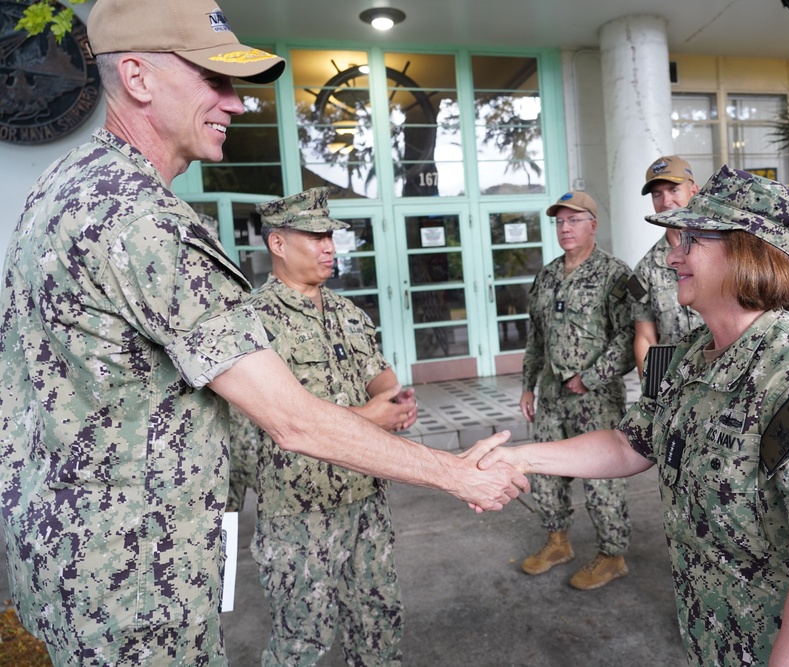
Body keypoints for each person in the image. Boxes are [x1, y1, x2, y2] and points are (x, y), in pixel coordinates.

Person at [0, 1, 527, 664]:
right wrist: (458, 473)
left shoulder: (66, 187)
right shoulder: (141, 220)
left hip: (82, 569)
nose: (237, 104)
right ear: (137, 78)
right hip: (136, 593)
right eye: (213, 81)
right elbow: (290, 422)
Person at [487, 166, 789, 665]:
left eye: (691, 240)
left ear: (745, 251)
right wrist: (518, 459)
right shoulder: (688, 354)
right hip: (714, 633)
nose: (673, 255)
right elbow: (630, 443)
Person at [228, 189, 416, 666]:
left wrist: (392, 396)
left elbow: (379, 372)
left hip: (365, 500)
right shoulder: (250, 323)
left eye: (330, 235)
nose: (329, 246)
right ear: (278, 244)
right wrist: (371, 416)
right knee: (300, 643)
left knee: (378, 625)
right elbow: (276, 421)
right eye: (315, 236)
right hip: (298, 513)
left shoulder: (348, 313)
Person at [518, 190, 635, 590]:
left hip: (596, 398)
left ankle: (612, 554)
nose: (565, 229)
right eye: (559, 222)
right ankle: (557, 542)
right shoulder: (547, 275)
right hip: (551, 394)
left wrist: (592, 377)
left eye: (574, 220)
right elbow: (536, 336)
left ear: (593, 225)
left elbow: (628, 337)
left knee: (602, 479)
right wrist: (527, 387)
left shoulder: (615, 274)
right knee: (545, 470)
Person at [628, 155, 703, 378]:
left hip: (724, 378)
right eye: (657, 194)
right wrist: (650, 392)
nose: (666, 201)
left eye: (673, 190)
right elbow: (646, 338)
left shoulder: (723, 252)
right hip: (675, 383)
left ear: (694, 191)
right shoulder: (646, 269)